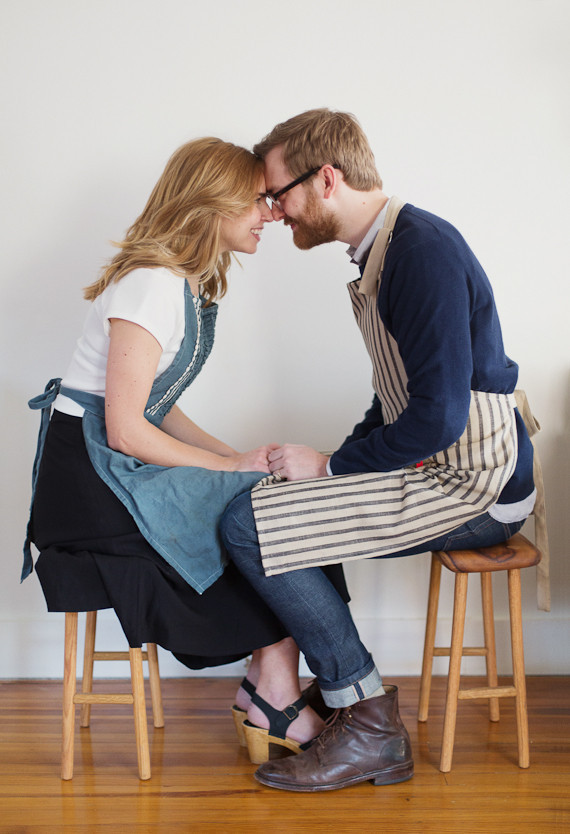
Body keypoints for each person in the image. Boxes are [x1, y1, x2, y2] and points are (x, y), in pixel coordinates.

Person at [219, 109, 536, 791]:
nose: (274, 213)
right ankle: (352, 710)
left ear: (327, 177)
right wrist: (325, 470)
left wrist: (331, 468)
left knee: (247, 523)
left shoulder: (420, 251)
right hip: (442, 468)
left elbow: (441, 417)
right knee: (276, 505)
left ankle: (366, 722)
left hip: (479, 485)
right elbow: (395, 399)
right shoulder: (382, 252)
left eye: (281, 194)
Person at [22, 137, 349, 757]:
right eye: (258, 200)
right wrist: (230, 468)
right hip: (88, 481)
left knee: (268, 496)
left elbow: (159, 404)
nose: (272, 213)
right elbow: (126, 429)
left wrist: (240, 459)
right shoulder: (150, 284)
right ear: (212, 201)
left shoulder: (177, 283)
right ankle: (272, 692)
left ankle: (268, 685)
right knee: (260, 511)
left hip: (113, 464)